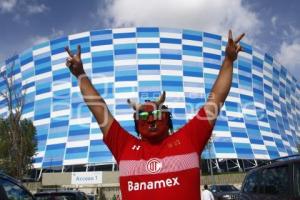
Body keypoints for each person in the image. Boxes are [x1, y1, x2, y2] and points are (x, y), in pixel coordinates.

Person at [65, 30, 245, 200]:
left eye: (157, 113)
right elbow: (99, 108)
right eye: (143, 116)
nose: (150, 119)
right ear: (136, 123)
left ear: (167, 118)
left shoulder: (189, 139)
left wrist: (229, 60)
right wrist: (80, 74)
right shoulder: (124, 146)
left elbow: (215, 100)